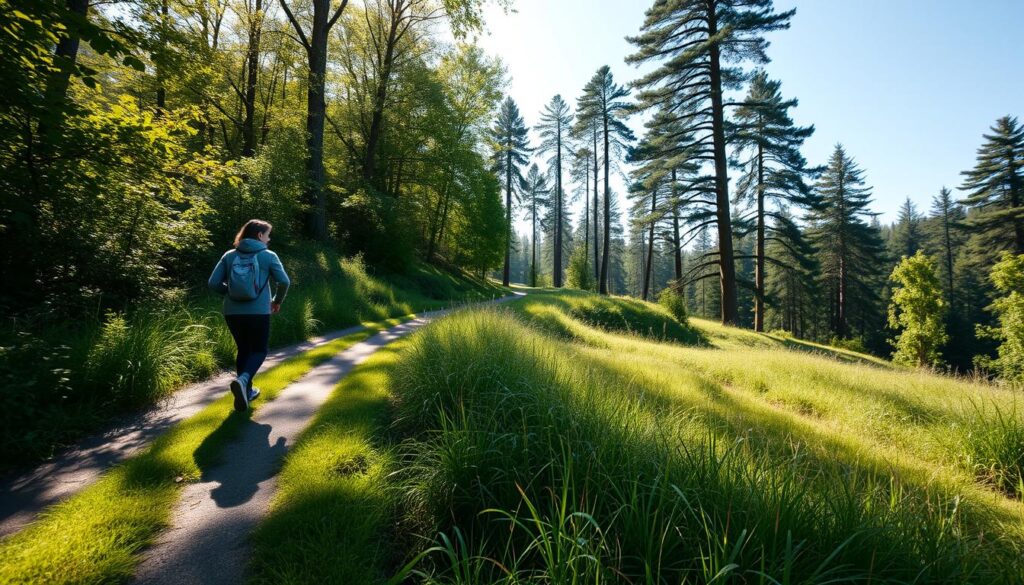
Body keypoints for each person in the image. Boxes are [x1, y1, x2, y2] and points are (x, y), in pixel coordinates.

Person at [208, 219, 290, 411]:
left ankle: (247, 391)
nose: (269, 240)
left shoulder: (229, 255)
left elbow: (213, 283)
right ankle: (244, 381)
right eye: (268, 235)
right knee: (260, 350)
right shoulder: (268, 256)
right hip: (259, 311)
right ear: (259, 235)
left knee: (244, 349)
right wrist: (277, 301)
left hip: (232, 312)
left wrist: (230, 293)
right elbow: (284, 281)